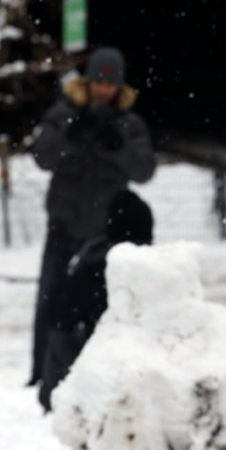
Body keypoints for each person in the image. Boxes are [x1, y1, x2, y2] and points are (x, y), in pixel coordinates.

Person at [28, 46, 156, 387]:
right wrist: (71, 133)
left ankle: (97, 369)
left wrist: (118, 148)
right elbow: (42, 155)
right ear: (88, 80)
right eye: (98, 81)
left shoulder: (128, 123)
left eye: (109, 83)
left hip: (105, 233)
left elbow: (144, 170)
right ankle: (42, 370)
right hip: (64, 225)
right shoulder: (64, 112)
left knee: (103, 304)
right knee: (50, 299)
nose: (103, 89)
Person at [37, 189, 154, 413]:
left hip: (83, 381)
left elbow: (60, 326)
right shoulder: (130, 269)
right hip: (101, 385)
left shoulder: (89, 262)